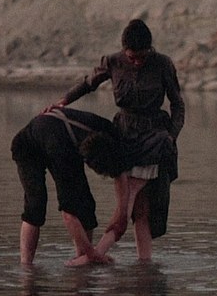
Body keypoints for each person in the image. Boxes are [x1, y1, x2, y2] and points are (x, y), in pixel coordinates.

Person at [48, 19, 185, 263]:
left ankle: (95, 256)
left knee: (134, 203)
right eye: (132, 58)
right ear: (124, 51)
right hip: (123, 135)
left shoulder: (163, 64)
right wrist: (63, 101)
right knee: (136, 206)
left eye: (142, 57)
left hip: (154, 138)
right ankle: (142, 267)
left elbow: (178, 104)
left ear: (150, 50)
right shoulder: (113, 61)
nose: (137, 62)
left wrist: (171, 136)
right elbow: (88, 84)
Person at [11, 106, 131, 266]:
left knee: (86, 204)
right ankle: (26, 267)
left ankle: (81, 258)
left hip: (60, 136)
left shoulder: (108, 130)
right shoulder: (64, 155)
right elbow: (69, 214)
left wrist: (122, 213)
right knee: (36, 206)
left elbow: (121, 172)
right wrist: (93, 254)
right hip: (28, 147)